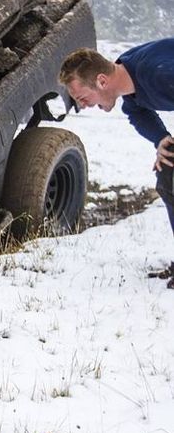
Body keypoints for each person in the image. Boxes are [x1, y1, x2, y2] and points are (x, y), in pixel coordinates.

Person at [59, 39, 174, 279]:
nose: (84, 106)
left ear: (101, 81)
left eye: (82, 98)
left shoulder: (159, 72)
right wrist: (161, 138)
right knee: (169, 174)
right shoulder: (129, 77)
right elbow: (137, 111)